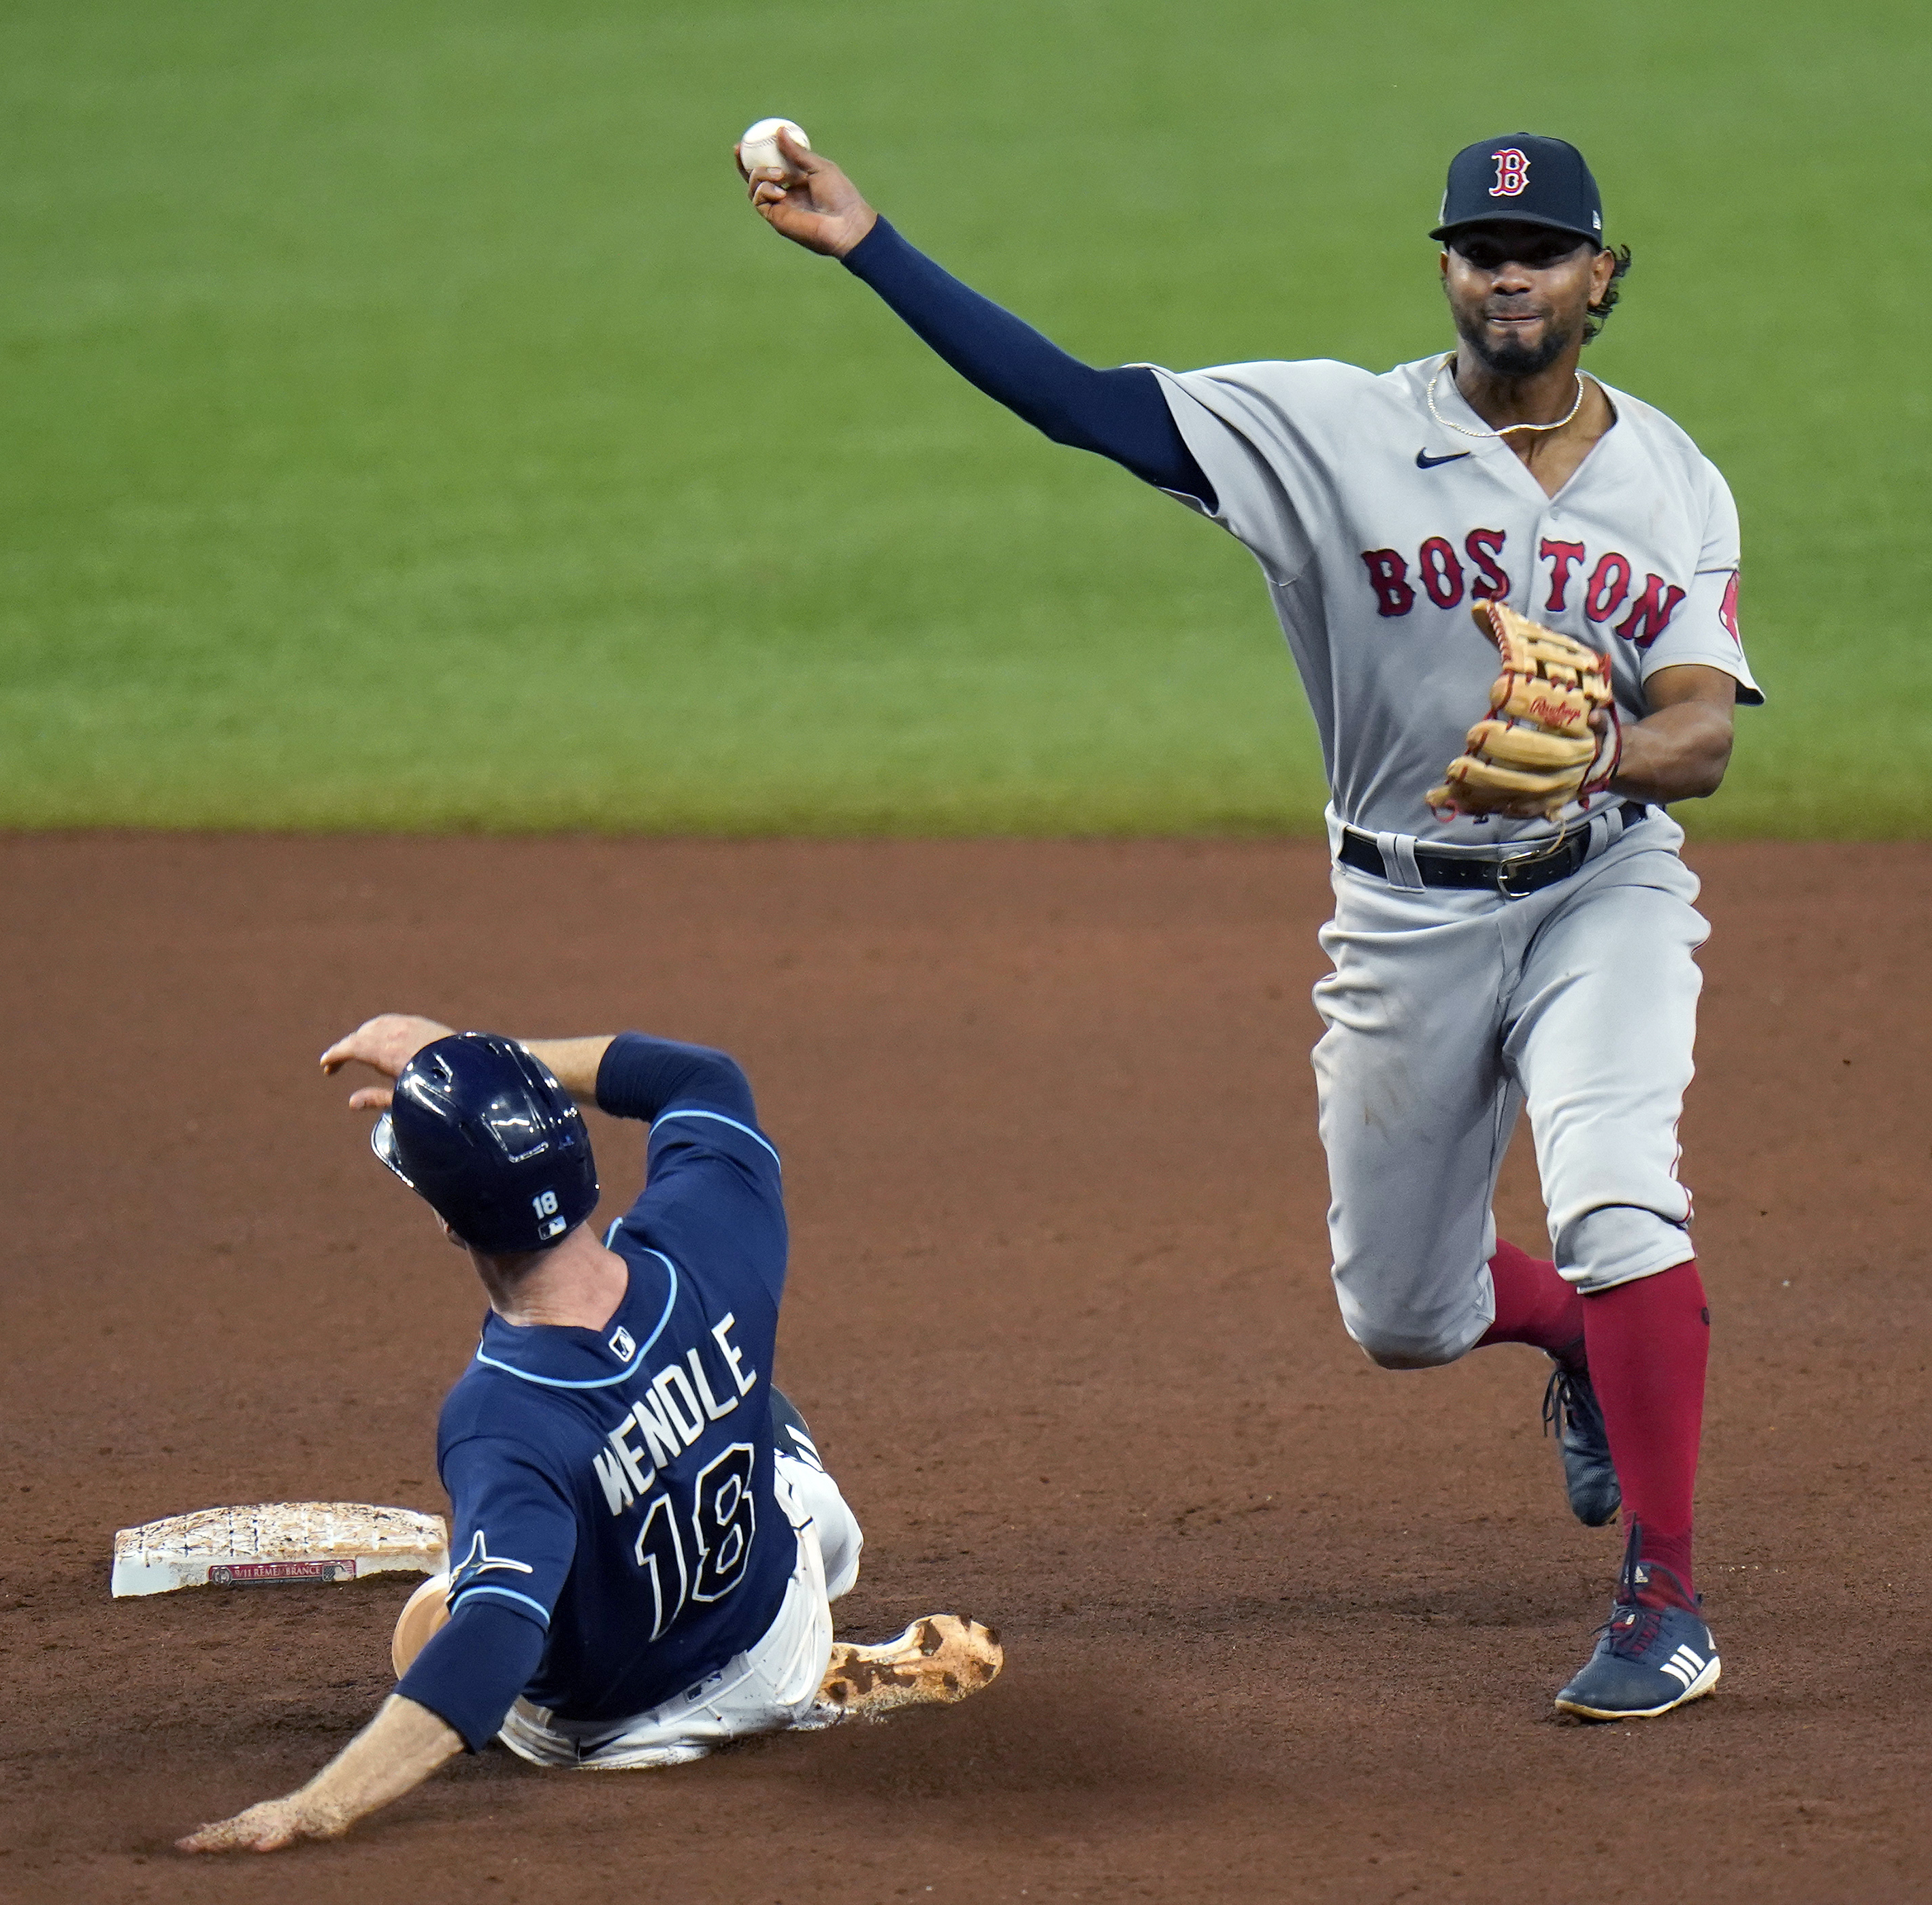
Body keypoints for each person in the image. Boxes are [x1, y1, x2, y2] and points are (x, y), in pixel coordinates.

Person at [743, 131, 1756, 1720]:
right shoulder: (1329, 430)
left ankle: (1668, 1600)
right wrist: (872, 243)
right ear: (1447, 268)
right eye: (1482, 245)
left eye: (1544, 247)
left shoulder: (1675, 479)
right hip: (1400, 916)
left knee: (1620, 1190)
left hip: (1600, 887)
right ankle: (1573, 1342)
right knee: (1404, 1318)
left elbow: (1704, 729)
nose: (1510, 271)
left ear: (1600, 275)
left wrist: (1612, 752)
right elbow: (1081, 404)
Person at [180, 1015, 1002, 1853]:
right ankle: (806, 1683)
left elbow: (494, 1642)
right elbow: (701, 1078)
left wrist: (317, 1805)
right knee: (764, 1411)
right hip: (774, 1633)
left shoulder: (499, 1419)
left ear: (450, 1226)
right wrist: (491, 1069)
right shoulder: (709, 1233)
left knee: (451, 1608)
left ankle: (792, 1703)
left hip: (616, 1740)